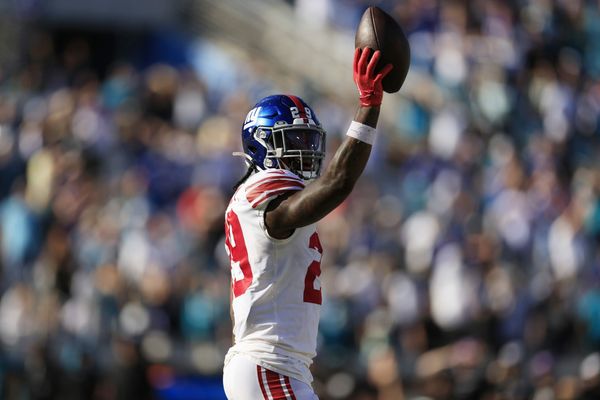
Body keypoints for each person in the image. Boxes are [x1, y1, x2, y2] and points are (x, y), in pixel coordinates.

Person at [222, 48, 393, 400]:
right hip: (269, 363)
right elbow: (337, 183)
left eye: (309, 139)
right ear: (262, 144)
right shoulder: (261, 195)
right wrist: (368, 105)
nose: (307, 149)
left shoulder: (254, 200)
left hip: (276, 365)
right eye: (294, 139)